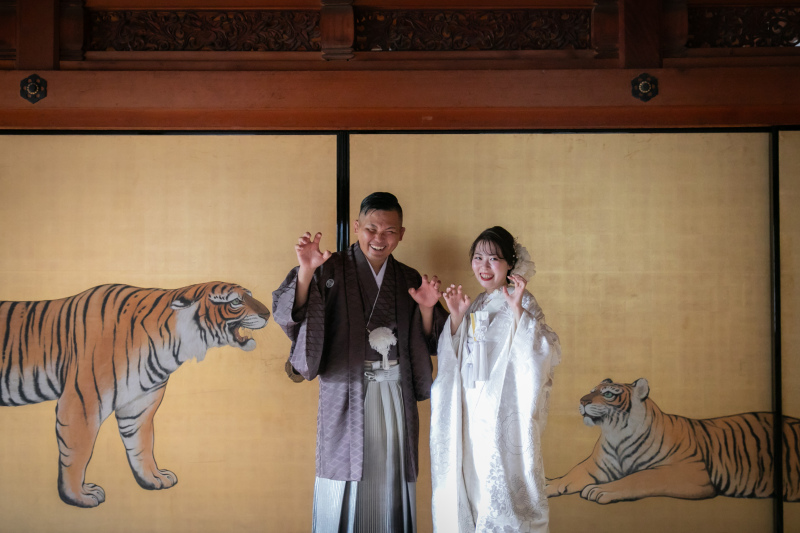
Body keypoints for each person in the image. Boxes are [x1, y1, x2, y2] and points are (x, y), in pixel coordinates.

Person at [272, 192, 447, 533]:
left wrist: (427, 308)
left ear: (401, 233)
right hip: (346, 390)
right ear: (356, 227)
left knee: (391, 471)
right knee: (343, 472)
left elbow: (433, 340)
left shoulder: (409, 278)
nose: (379, 239)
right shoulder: (330, 268)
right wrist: (306, 272)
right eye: (371, 229)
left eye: (389, 231)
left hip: (395, 393)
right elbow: (289, 315)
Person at [430, 226, 561, 533]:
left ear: (509, 264)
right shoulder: (477, 303)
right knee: (473, 481)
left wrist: (517, 313)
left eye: (493, 259)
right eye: (478, 258)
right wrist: (458, 318)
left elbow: (544, 350)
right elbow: (461, 362)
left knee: (500, 482)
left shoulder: (524, 301)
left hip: (503, 414)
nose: (484, 267)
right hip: (472, 413)